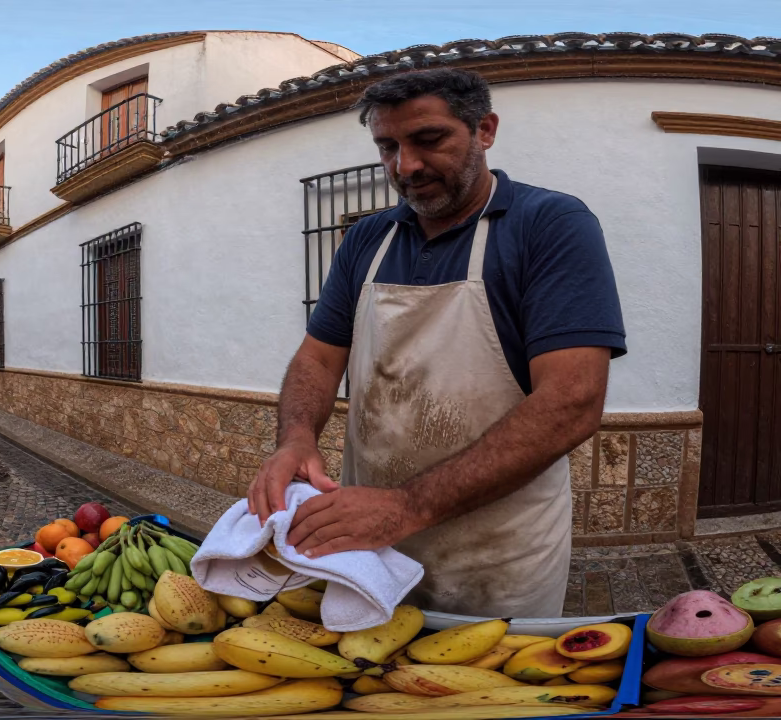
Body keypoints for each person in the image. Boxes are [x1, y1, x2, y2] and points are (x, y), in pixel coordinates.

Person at [248, 68, 625, 617]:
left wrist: (407, 505)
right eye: (388, 147)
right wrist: (296, 438)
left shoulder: (550, 224)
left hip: (498, 553)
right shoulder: (367, 239)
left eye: (429, 140)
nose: (406, 166)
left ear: (485, 130)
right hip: (366, 543)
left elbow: (572, 402)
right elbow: (318, 356)